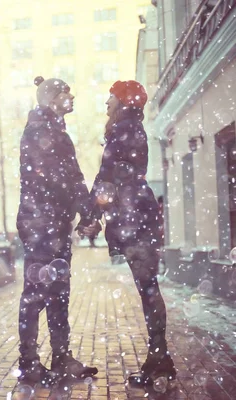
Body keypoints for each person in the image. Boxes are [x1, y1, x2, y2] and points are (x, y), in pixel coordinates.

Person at [79, 80, 175, 386]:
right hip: (140, 215)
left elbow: (106, 178)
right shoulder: (133, 129)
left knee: (148, 289)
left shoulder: (122, 131)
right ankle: (159, 358)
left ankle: (159, 360)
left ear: (122, 103)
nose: (106, 105)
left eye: (111, 100)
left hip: (134, 218)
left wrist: (90, 217)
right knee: (149, 288)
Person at [16, 76, 98, 386]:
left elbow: (69, 179)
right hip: (42, 226)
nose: (72, 95)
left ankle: (59, 358)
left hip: (50, 224)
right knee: (38, 295)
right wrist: (87, 211)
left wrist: (85, 211)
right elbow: (65, 179)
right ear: (52, 98)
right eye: (67, 92)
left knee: (56, 294)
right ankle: (30, 363)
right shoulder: (43, 131)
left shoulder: (50, 130)